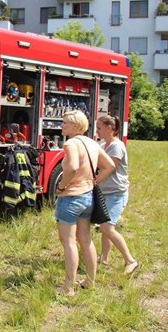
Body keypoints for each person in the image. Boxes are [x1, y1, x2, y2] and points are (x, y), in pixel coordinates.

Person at [55, 110, 115, 296]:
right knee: (86, 239)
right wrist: (94, 181)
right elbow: (110, 166)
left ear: (75, 126)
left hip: (71, 197)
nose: (61, 125)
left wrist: (62, 186)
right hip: (88, 197)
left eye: (65, 123)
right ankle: (90, 281)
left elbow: (72, 167)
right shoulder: (92, 143)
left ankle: (69, 287)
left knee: (69, 242)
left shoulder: (71, 143)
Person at [96, 115, 139, 275]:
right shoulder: (103, 145)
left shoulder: (116, 147)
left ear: (109, 128)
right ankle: (104, 258)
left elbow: (109, 168)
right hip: (105, 192)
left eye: (100, 127)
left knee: (106, 227)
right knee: (106, 227)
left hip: (116, 194)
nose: (97, 131)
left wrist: (94, 181)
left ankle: (130, 261)